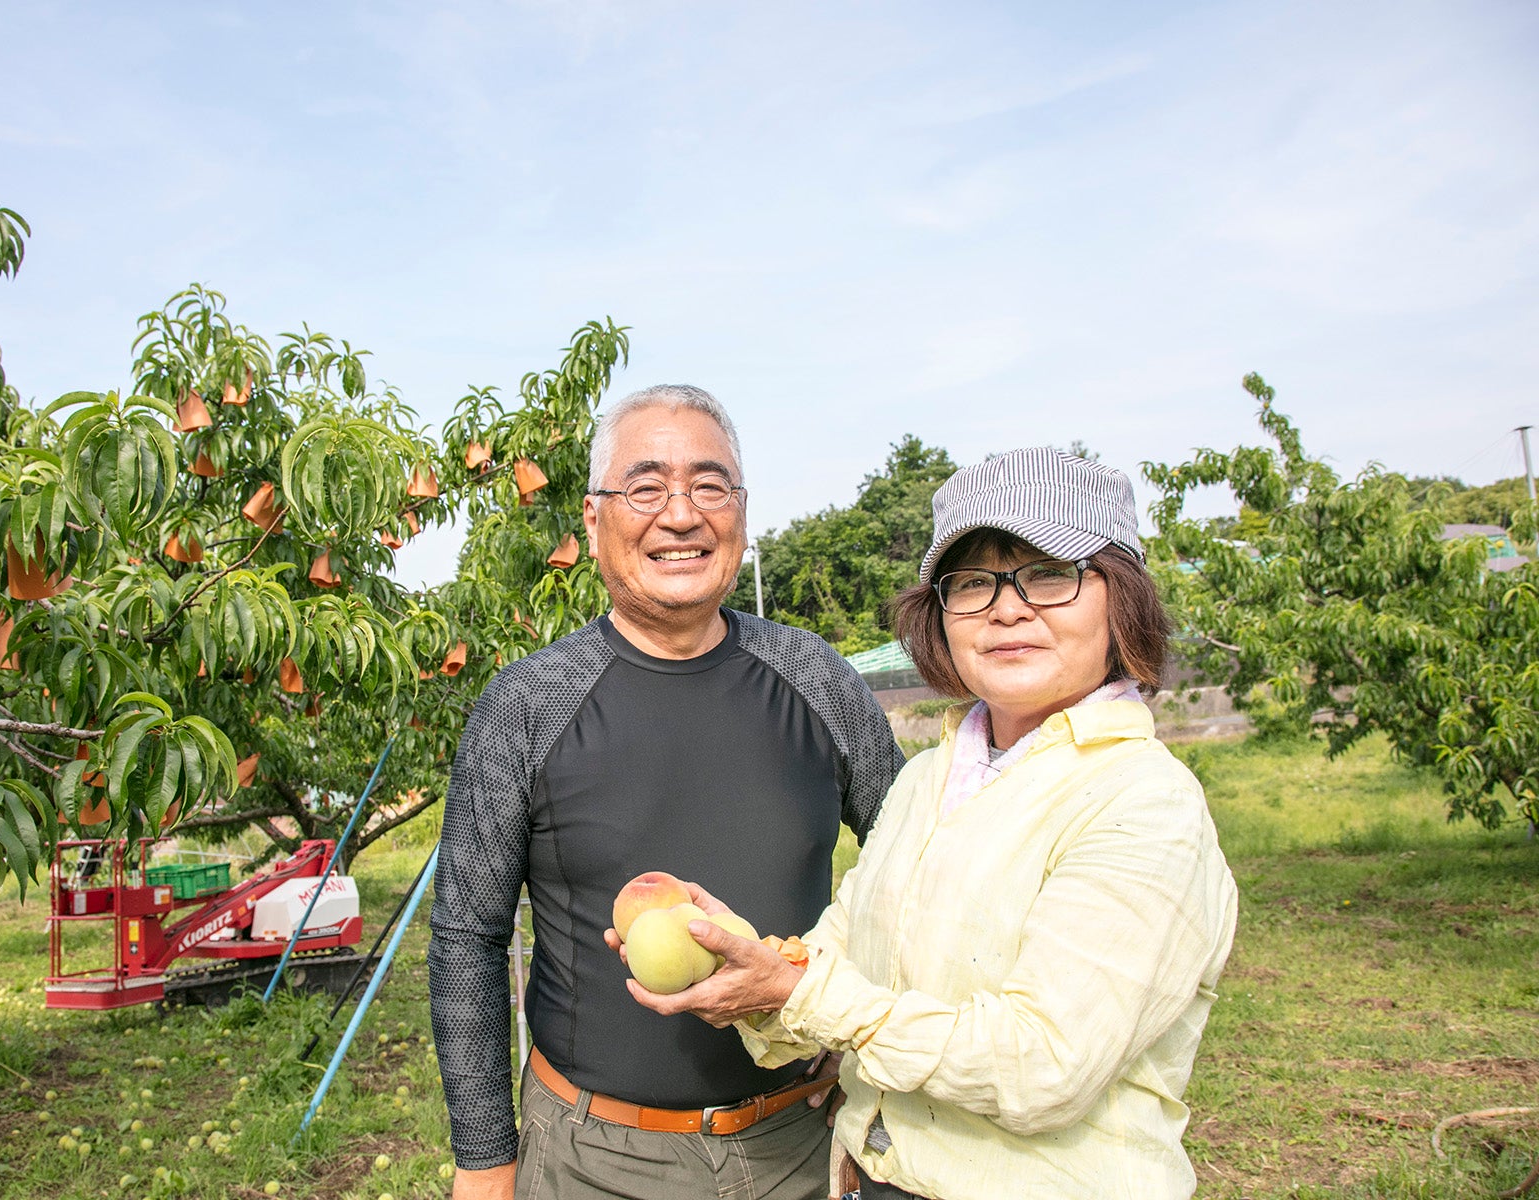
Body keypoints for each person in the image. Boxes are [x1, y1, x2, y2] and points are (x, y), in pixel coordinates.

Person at [628, 447, 1240, 1200]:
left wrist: (795, 991)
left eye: (1050, 574)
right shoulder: (928, 778)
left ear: (1121, 599)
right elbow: (839, 959)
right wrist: (746, 969)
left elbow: (1043, 1063)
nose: (1008, 608)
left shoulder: (1142, 803)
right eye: (973, 583)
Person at [428, 384, 905, 1200]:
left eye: (709, 486)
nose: (680, 515)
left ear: (742, 513)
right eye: (645, 487)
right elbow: (467, 936)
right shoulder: (529, 704)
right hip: (592, 1156)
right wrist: (483, 1160)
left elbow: (913, 866)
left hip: (800, 1142)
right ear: (592, 517)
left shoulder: (815, 679)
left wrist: (856, 1028)